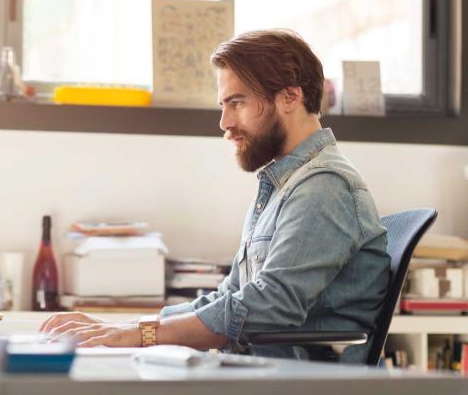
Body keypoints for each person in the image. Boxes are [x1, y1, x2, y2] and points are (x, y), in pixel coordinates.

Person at [39, 29, 390, 363]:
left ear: (290, 96)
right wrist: (128, 328)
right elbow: (230, 297)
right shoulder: (284, 186)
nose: (224, 121)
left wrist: (141, 334)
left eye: (237, 102)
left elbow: (268, 306)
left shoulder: (324, 187)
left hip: (289, 383)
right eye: (223, 105)